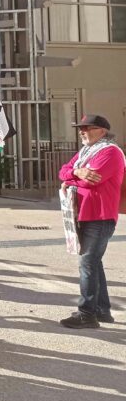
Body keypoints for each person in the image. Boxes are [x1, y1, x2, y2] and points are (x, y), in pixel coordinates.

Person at [57, 114, 124, 329]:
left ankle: (87, 313)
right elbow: (62, 171)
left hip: (101, 215)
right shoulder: (86, 152)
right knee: (94, 262)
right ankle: (102, 310)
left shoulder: (110, 152)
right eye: (81, 128)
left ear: (102, 131)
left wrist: (73, 179)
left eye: (87, 128)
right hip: (84, 214)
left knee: (87, 263)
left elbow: (92, 180)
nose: (82, 131)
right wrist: (76, 171)